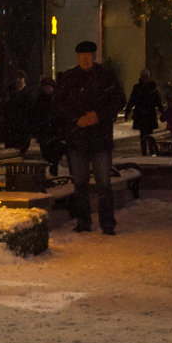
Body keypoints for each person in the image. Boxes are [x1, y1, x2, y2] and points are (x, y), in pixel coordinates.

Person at [53, 41, 126, 235]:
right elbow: (59, 104)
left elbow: (119, 100)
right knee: (80, 183)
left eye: (89, 55)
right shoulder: (69, 78)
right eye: (82, 55)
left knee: (104, 183)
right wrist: (77, 120)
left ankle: (107, 223)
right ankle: (83, 221)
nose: (85, 59)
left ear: (94, 56)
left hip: (99, 137)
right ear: (78, 57)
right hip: (78, 139)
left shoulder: (106, 77)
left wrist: (98, 116)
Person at [30, 77, 65, 175]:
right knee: (46, 155)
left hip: (54, 134)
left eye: (49, 87)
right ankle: (51, 174)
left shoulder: (57, 99)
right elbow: (36, 116)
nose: (47, 89)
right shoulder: (40, 100)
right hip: (45, 133)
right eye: (45, 87)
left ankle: (53, 172)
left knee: (54, 157)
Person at [124, 68, 163, 155]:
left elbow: (157, 101)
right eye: (144, 76)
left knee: (149, 134)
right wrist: (127, 111)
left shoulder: (150, 88)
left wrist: (163, 112)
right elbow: (132, 100)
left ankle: (151, 151)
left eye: (146, 76)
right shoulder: (139, 88)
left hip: (146, 114)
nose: (145, 78)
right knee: (144, 134)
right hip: (142, 114)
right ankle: (145, 151)